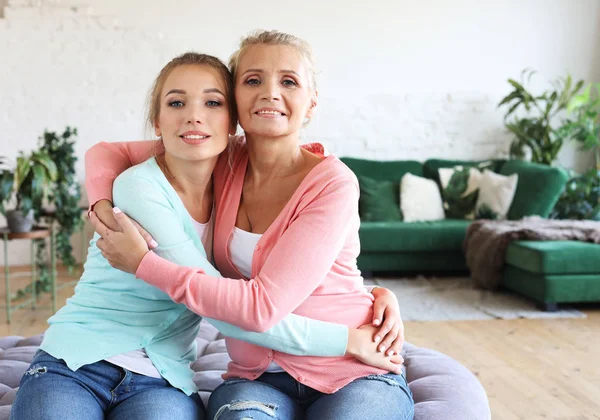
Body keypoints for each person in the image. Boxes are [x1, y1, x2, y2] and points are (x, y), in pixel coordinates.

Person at [10, 52, 402, 420]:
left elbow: (291, 274)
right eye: (176, 104)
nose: (194, 117)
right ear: (157, 120)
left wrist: (376, 297)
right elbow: (105, 151)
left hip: (162, 378)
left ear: (231, 121)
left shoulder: (233, 173)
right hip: (77, 360)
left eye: (212, 103)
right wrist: (99, 205)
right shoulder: (141, 187)